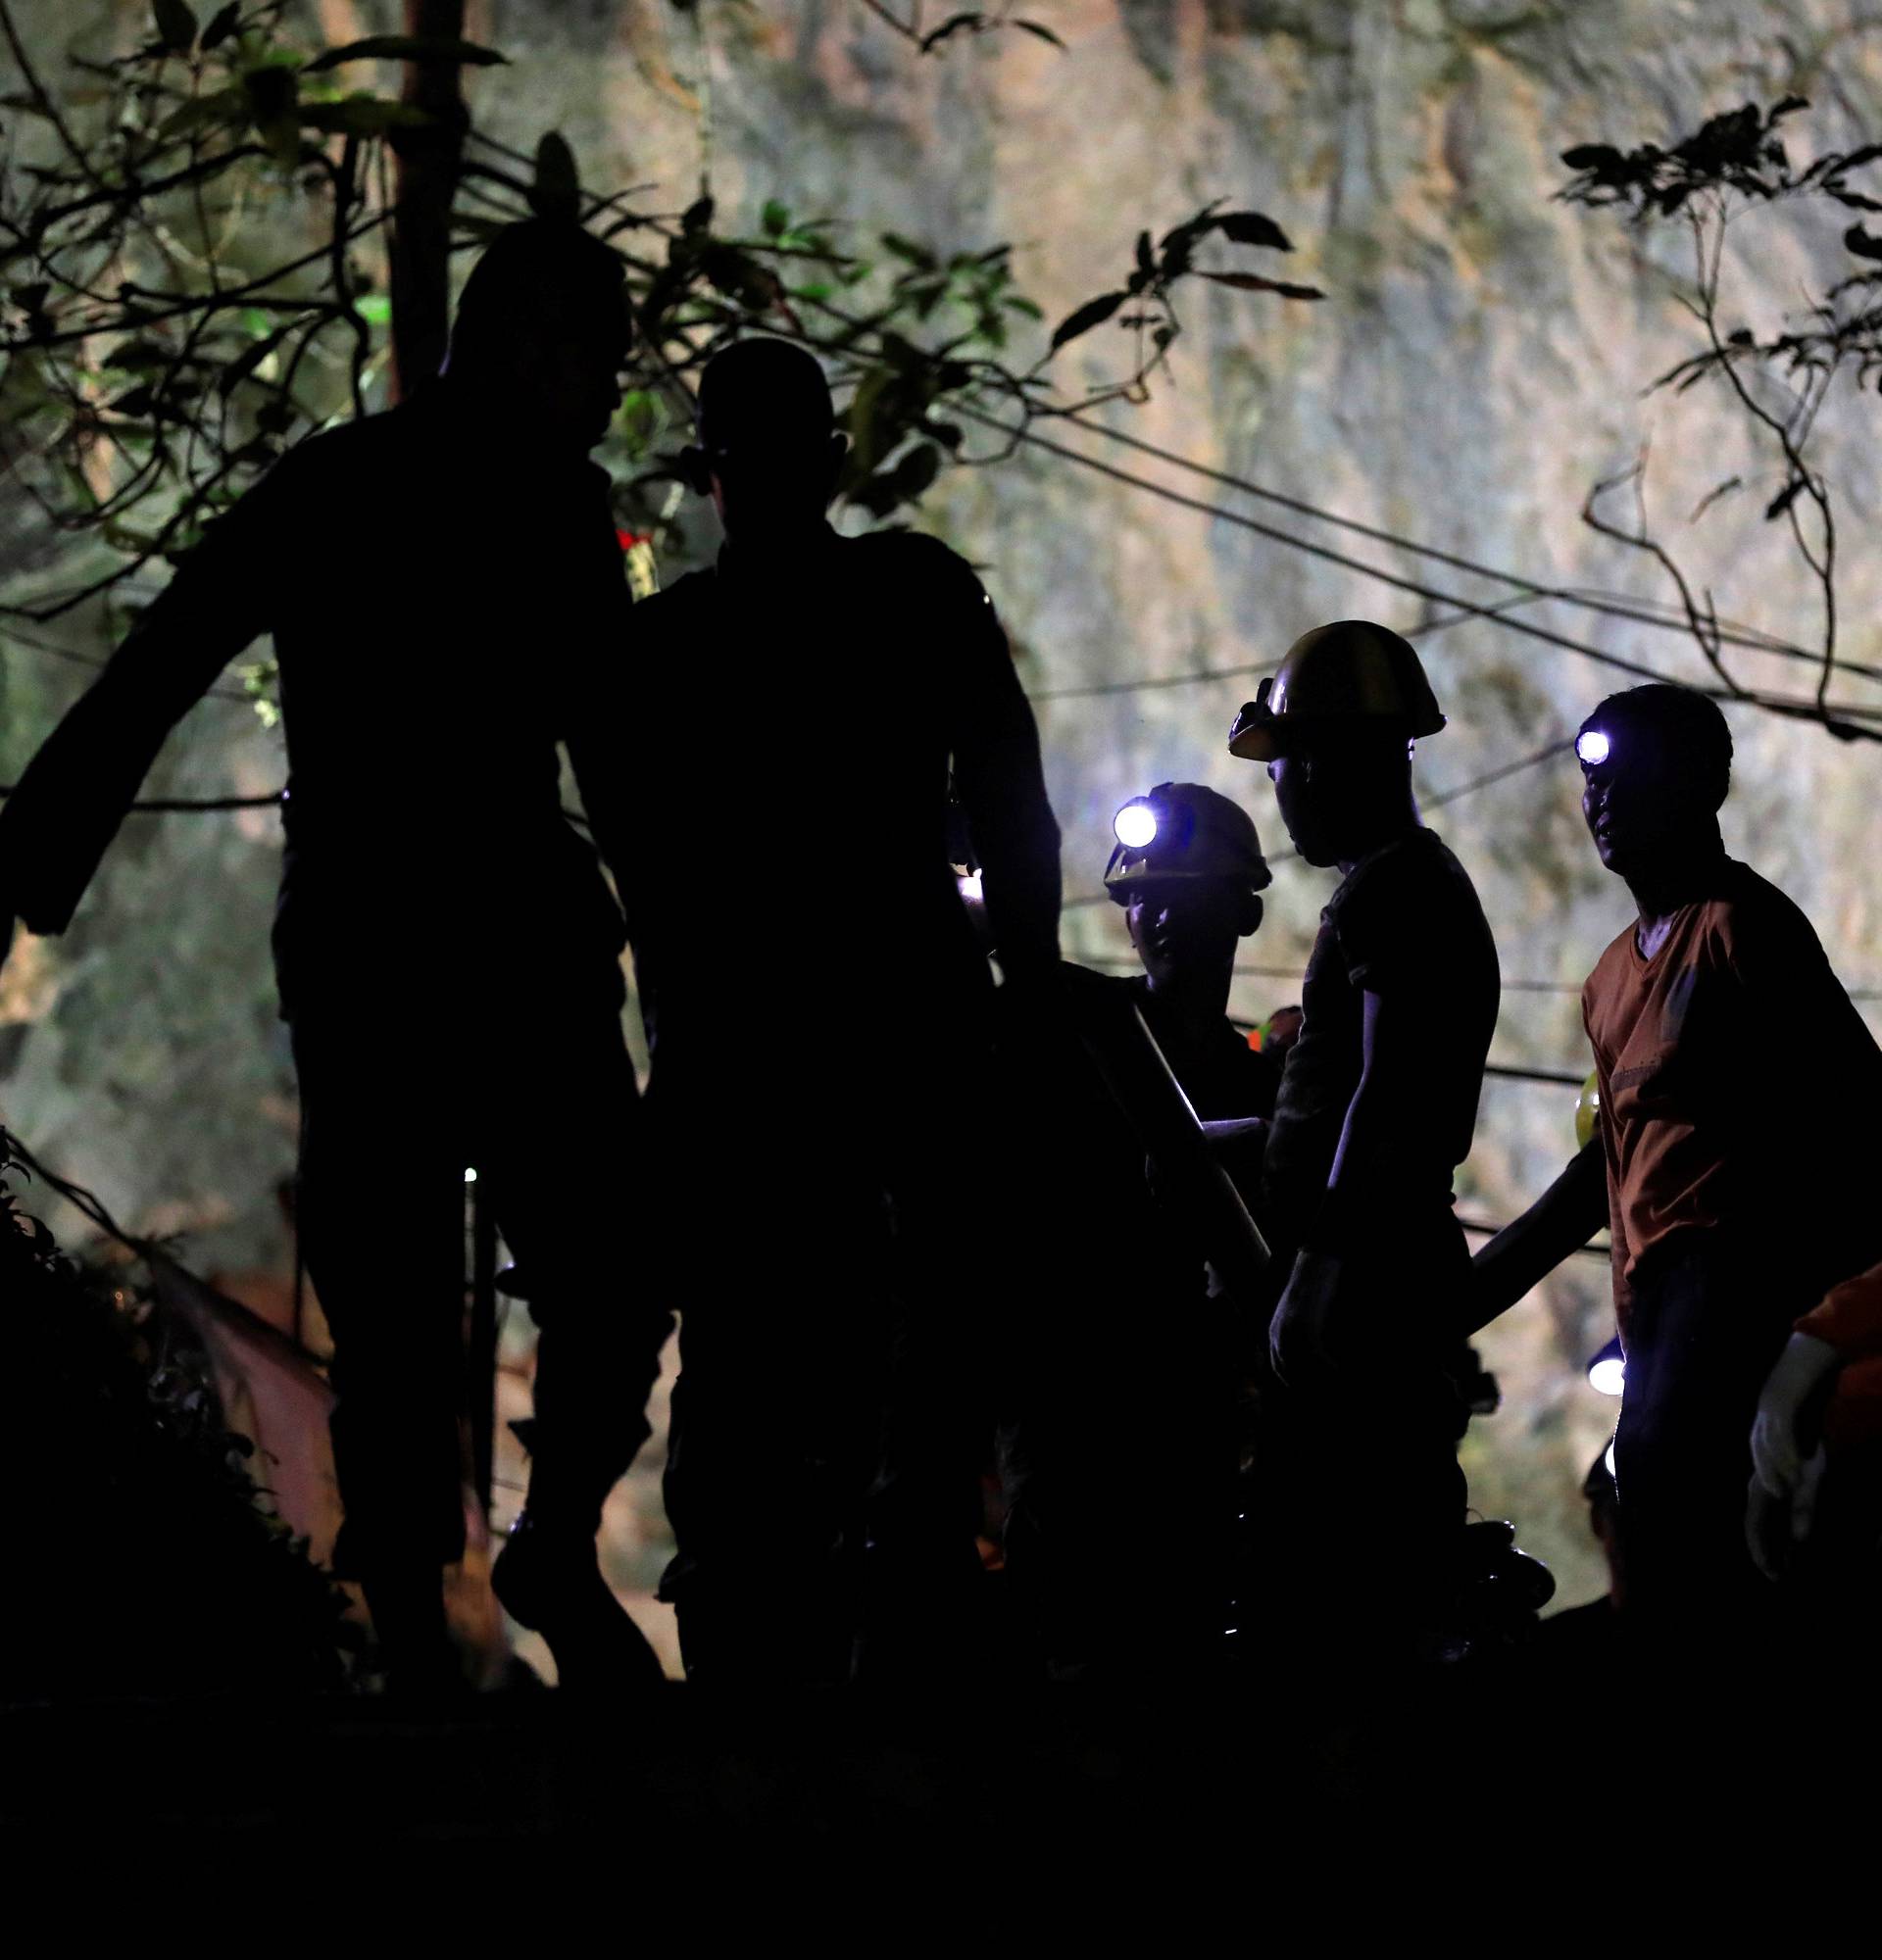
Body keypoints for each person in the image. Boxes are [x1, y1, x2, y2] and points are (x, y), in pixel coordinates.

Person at [0, 220, 671, 1691]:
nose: (612, 389)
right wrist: (684, 962)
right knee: (524, 1277)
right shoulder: (539, 509)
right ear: (528, 349)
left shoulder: (367, 489)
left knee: (418, 1292)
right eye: (599, 358)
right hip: (465, 921)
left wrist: (34, 856)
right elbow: (619, 767)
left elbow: (163, 657)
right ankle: (477, 1591)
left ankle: (459, 1612)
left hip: (392, 925)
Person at [618, 337, 1063, 1682]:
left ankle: (757, 1662)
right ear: (830, 462)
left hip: (748, 1063)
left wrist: (675, 1058)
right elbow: (1012, 808)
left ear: (712, 481)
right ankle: (894, 1638)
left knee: (754, 1368)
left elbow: (651, 885)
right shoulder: (917, 596)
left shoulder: (670, 648)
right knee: (918, 1362)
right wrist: (1028, 996)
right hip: (905, 1037)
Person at [1573, 682, 1882, 1651]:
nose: (1607, 797)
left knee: (1681, 1497)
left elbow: (1855, 1105)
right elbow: (1616, 1172)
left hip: (1743, 1270)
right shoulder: (1609, 978)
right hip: (1658, 1297)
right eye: (1595, 779)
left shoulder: (1746, 927)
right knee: (1640, 1495)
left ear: (1704, 786)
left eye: (1636, 772)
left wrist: (1822, 1322)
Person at [1225, 618, 1500, 1658]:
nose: (1282, 789)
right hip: (1361, 1275)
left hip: (1370, 1284)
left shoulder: (1400, 890)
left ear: (1337, 761)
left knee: (1351, 1577)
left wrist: (1321, 1273)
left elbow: (1385, 1095)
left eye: (1289, 762)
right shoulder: (1396, 885)